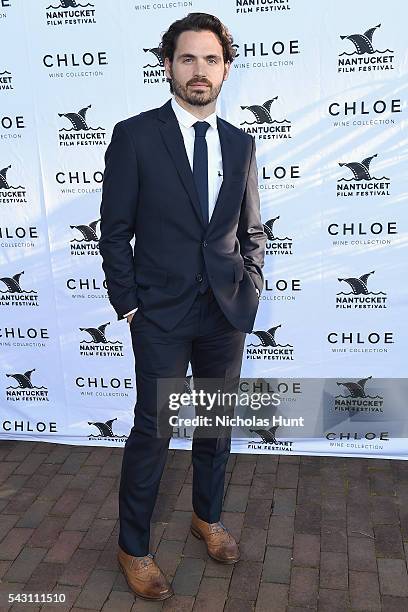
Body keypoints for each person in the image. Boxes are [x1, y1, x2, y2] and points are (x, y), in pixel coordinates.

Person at [99, 12, 266, 601]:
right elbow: (114, 231)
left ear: (226, 69)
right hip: (161, 314)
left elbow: (250, 230)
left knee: (216, 427)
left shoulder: (241, 143)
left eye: (212, 60)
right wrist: (129, 306)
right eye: (188, 58)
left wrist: (250, 283)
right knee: (154, 429)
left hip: (223, 311)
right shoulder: (136, 135)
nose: (200, 71)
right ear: (168, 64)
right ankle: (133, 546)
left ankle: (206, 517)